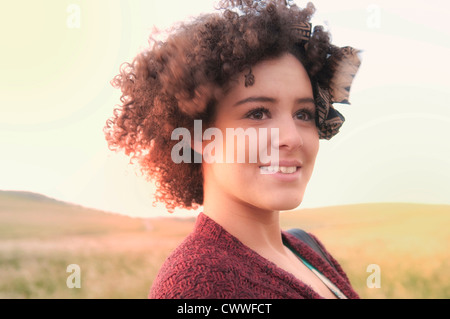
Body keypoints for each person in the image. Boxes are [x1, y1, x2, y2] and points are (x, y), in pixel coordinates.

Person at [104, 0, 361, 299]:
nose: (292, 137)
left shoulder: (307, 248)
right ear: (198, 134)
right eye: (258, 113)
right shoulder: (198, 288)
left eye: (303, 114)